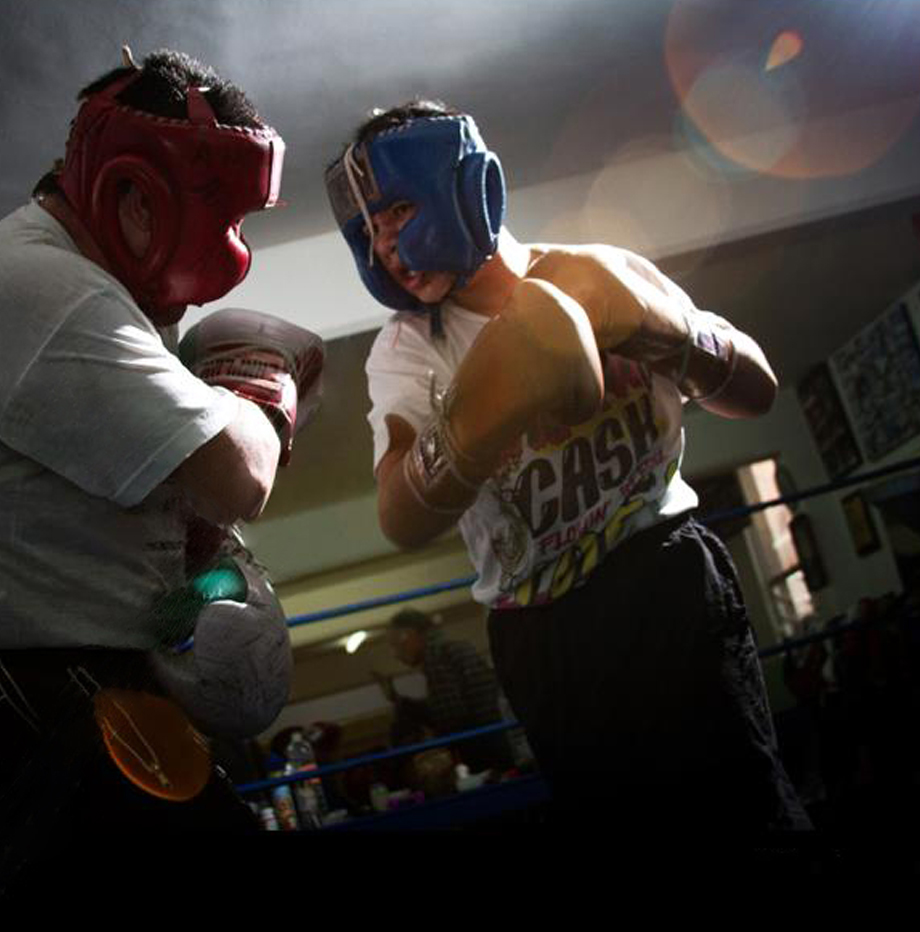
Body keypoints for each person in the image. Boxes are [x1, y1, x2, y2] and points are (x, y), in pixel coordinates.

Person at [325, 100, 812, 834]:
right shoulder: (408, 350)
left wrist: (665, 333)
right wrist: (480, 417)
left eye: (396, 208)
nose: (388, 245)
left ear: (466, 185)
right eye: (370, 230)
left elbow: (758, 391)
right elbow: (400, 512)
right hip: (543, 630)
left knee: (749, 817)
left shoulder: (601, 271)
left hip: (666, 576)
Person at [0, 47, 324, 885]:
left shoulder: (80, 288)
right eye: (222, 217)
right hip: (59, 728)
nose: (233, 254)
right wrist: (266, 385)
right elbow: (239, 477)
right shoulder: (46, 288)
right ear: (133, 195)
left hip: (87, 715)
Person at [375, 608, 516, 774]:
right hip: (493, 738)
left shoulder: (438, 658)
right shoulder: (445, 652)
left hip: (484, 745)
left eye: (395, 646)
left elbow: (450, 716)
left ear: (409, 635)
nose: (396, 654)